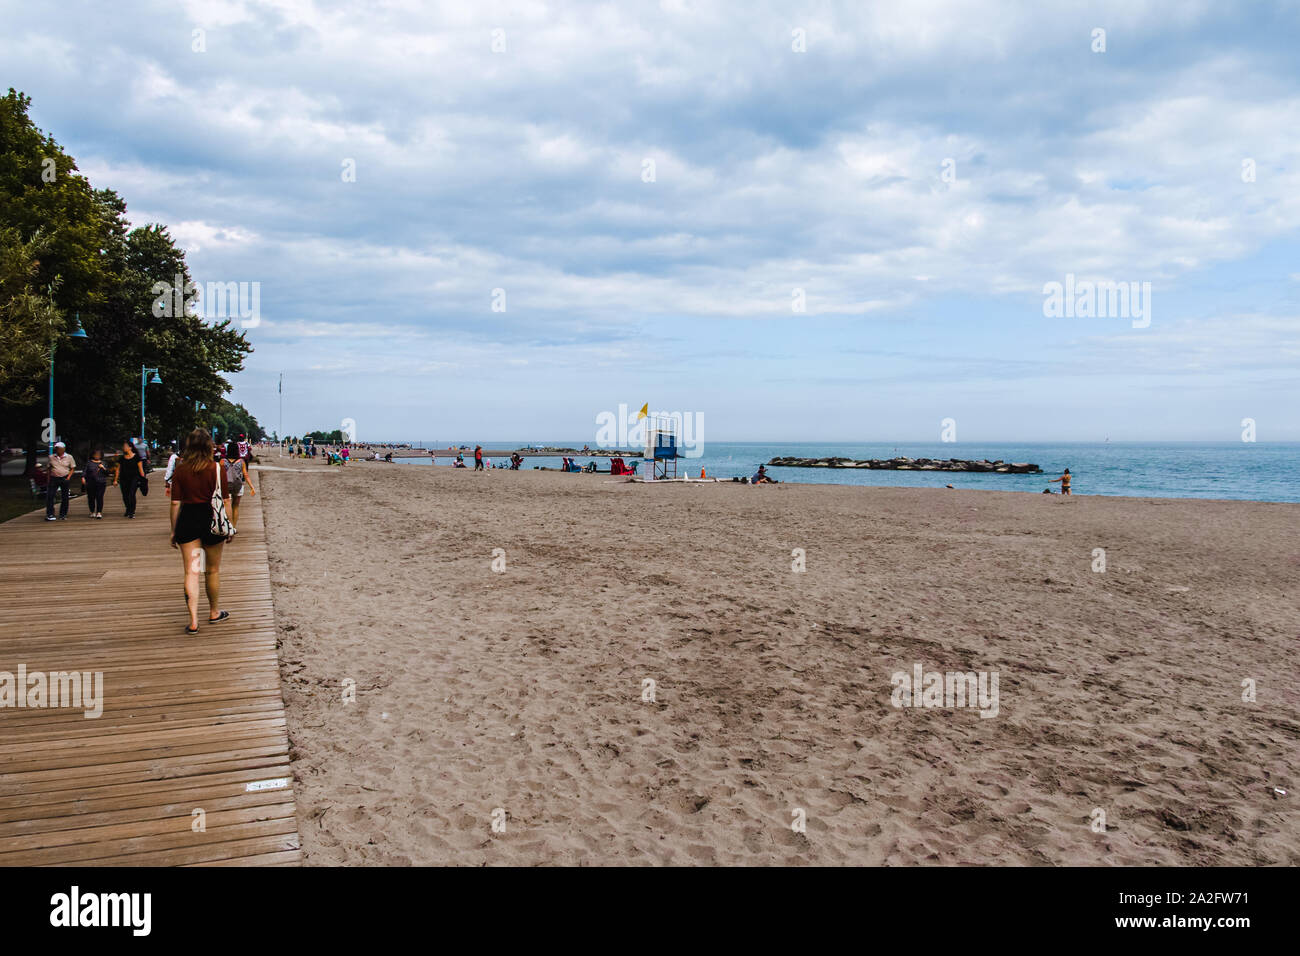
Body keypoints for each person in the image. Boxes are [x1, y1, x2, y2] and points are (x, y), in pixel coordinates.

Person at [170, 429, 233, 634]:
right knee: (212, 570)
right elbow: (225, 501)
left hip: (188, 522)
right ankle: (214, 612)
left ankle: (194, 621)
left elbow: (175, 503)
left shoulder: (180, 469)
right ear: (209, 446)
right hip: (212, 522)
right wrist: (229, 526)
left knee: (192, 571)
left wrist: (173, 530)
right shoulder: (216, 468)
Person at [224, 439, 256, 527]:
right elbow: (246, 475)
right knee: (235, 506)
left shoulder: (222, 461)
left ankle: (228, 526)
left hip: (225, 485)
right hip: (238, 485)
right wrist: (252, 487)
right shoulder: (241, 462)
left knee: (227, 505)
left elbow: (219, 475)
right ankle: (234, 527)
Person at [112, 440, 145, 518]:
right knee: (125, 495)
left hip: (134, 478)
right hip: (124, 479)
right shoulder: (122, 458)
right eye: (123, 447)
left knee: (131, 494)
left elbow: (141, 469)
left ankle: (132, 511)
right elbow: (118, 469)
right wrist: (115, 480)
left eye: (125, 446)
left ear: (130, 447)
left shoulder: (137, 457)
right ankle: (128, 508)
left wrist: (143, 480)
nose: (124, 448)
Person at [45, 441, 76, 521]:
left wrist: (68, 477)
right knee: (50, 496)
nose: (58, 450)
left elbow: (72, 468)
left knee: (65, 496)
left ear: (63, 449)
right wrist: (48, 479)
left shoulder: (69, 457)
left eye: (59, 448)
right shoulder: (51, 457)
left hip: (64, 477)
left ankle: (63, 514)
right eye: (57, 448)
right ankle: (50, 514)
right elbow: (48, 468)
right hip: (54, 478)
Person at [81, 448, 108, 519]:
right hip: (90, 482)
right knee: (91, 497)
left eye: (99, 454)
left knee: (99, 497)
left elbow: (107, 473)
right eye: (96, 454)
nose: (97, 456)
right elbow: (84, 471)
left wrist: (103, 468)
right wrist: (83, 477)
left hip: (101, 482)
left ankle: (99, 512)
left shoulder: (104, 463)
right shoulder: (89, 463)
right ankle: (92, 511)